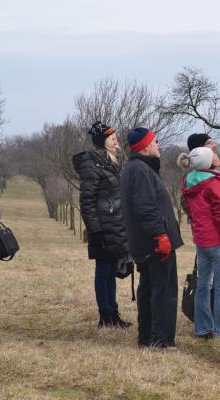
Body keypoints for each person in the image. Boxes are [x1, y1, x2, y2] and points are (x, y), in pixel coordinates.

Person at [120, 127, 184, 349]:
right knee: (163, 291)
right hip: (155, 242)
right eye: (155, 141)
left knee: (149, 289)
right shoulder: (139, 170)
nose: (158, 145)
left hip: (148, 241)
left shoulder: (138, 168)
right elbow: (146, 208)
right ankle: (161, 340)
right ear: (146, 146)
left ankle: (147, 337)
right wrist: (161, 235)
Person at [73, 122, 133, 328]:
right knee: (104, 269)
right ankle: (105, 316)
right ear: (102, 141)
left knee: (111, 271)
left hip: (115, 225)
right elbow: (87, 200)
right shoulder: (92, 164)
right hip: (102, 226)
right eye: (111, 136)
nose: (116, 139)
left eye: (115, 135)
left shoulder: (113, 162)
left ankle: (113, 314)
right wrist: (95, 230)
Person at [180, 147, 220, 339]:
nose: (218, 155)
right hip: (217, 241)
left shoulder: (188, 181)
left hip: (201, 240)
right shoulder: (214, 183)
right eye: (214, 154)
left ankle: (203, 328)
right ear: (208, 161)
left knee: (203, 284)